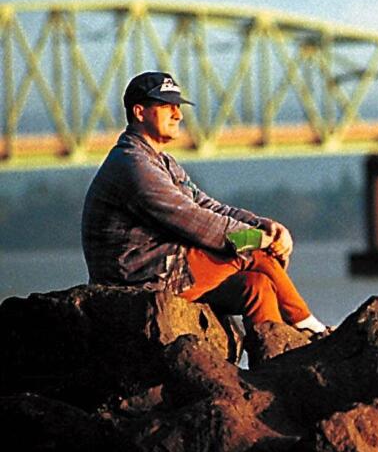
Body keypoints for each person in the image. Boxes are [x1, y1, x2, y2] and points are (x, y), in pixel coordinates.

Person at [82, 71, 329, 335]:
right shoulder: (132, 166)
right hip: (138, 280)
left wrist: (266, 226)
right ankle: (309, 326)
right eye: (167, 107)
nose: (178, 115)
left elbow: (207, 206)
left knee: (257, 285)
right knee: (250, 249)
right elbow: (194, 221)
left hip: (166, 270)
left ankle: (273, 360)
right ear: (139, 112)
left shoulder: (161, 162)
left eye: (178, 107)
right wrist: (260, 238)